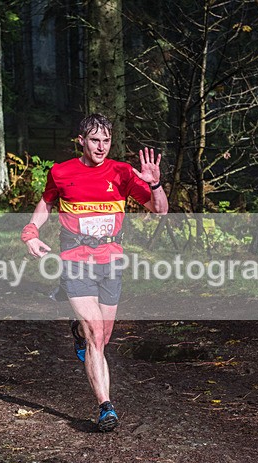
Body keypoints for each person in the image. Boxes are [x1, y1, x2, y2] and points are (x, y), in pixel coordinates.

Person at [21, 114, 168, 432]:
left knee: (103, 337)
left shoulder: (122, 172)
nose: (101, 146)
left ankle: (79, 333)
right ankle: (106, 407)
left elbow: (160, 210)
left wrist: (154, 183)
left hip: (111, 261)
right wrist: (31, 231)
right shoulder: (61, 172)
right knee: (95, 335)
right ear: (81, 141)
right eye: (94, 140)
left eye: (106, 140)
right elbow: (46, 204)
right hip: (75, 260)